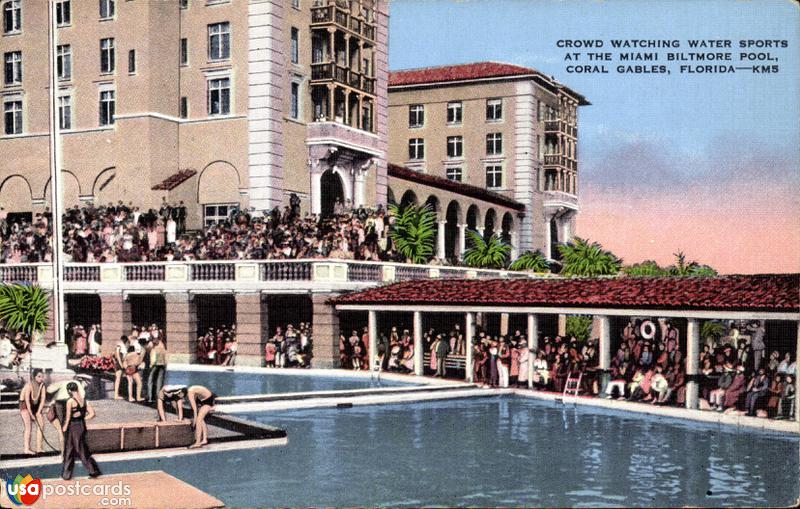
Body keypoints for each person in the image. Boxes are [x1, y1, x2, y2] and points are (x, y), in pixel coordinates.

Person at [61, 382, 101, 480]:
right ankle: (66, 475)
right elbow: (92, 414)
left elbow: (68, 416)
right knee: (71, 449)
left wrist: (65, 427)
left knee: (78, 450)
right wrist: (82, 418)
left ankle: (93, 471)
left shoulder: (70, 401)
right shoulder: (84, 401)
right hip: (81, 426)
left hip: (73, 426)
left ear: (69, 391)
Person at [19, 369, 46, 455]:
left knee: (41, 425)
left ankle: (39, 448)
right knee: (28, 427)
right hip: (25, 405)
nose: (41, 378)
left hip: (35, 406)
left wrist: (38, 412)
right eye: (39, 376)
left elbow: (42, 400)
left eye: (42, 376)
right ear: (34, 377)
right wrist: (31, 414)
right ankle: (27, 449)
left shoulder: (42, 385)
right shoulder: (28, 385)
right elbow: (27, 401)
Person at [148, 337, 168, 402]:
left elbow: (153, 359)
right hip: (162, 365)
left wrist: (151, 365)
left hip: (155, 365)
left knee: (150, 380)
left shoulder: (154, 349)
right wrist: (165, 365)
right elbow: (166, 358)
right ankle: (158, 397)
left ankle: (150, 397)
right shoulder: (163, 349)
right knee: (159, 381)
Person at [113, 335, 128, 399]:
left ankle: (116, 394)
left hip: (119, 362)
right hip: (119, 363)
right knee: (118, 379)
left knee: (118, 379)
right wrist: (121, 364)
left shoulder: (119, 345)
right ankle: (116, 395)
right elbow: (118, 356)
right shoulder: (120, 345)